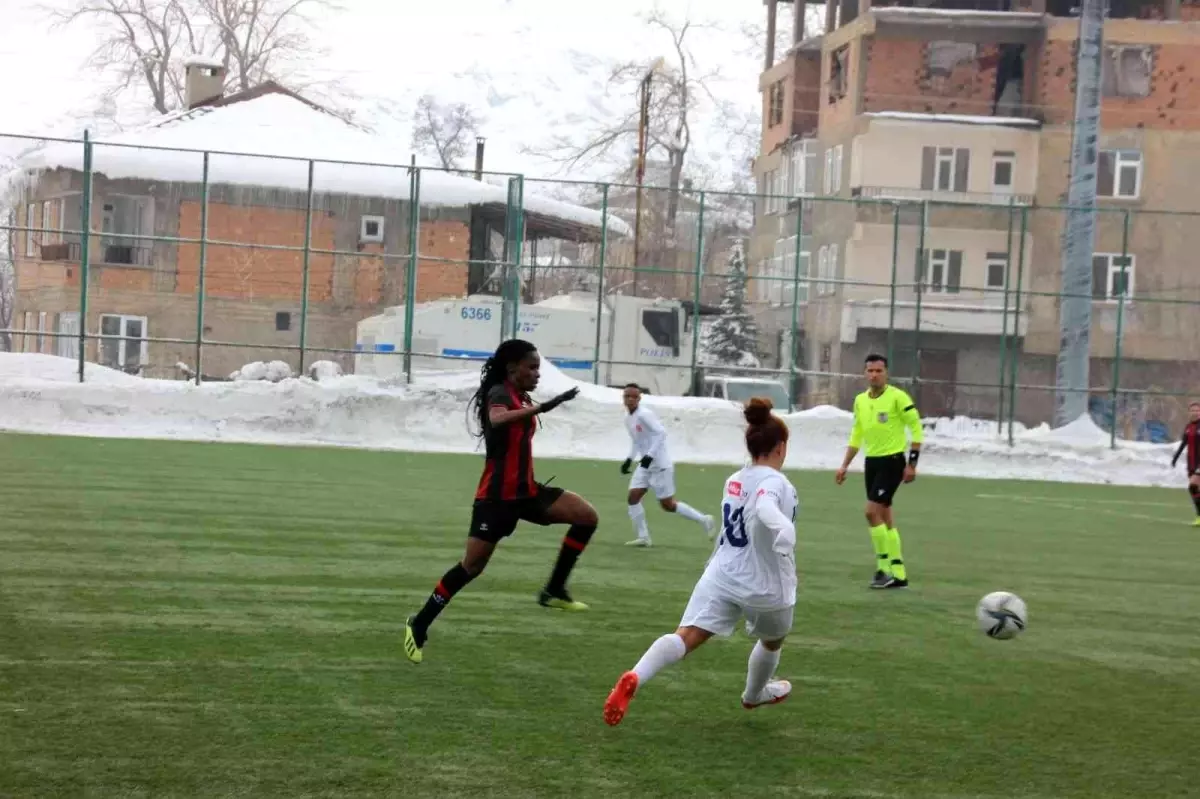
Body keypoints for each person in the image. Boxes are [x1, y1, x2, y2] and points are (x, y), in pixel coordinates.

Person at [603, 397, 799, 726]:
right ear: (780, 447)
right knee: (772, 639)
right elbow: (766, 507)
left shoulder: (735, 479)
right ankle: (753, 695)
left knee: (686, 636)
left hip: (722, 573)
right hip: (764, 584)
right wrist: (785, 529)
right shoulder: (776, 482)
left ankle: (636, 675)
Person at [403, 339, 600, 665]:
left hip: (528, 493)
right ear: (513, 369)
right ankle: (419, 624)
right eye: (532, 367)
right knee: (471, 568)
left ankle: (553, 591)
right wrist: (542, 407)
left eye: (539, 367)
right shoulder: (499, 392)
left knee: (586, 517)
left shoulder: (519, 395)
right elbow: (497, 419)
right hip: (496, 500)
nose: (538, 373)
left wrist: (534, 406)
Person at [835, 353, 923, 590]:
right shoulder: (860, 401)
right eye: (870, 371)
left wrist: (912, 463)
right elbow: (857, 434)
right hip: (872, 463)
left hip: (892, 461)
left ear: (886, 373)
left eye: (879, 371)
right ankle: (899, 573)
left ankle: (884, 569)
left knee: (870, 512)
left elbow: (916, 428)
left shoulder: (897, 397)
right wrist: (845, 464)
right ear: (865, 373)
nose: (874, 374)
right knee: (885, 517)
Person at [620, 383, 715, 547]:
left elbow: (661, 433)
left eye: (633, 396)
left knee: (668, 505)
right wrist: (629, 459)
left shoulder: (644, 415)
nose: (629, 399)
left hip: (660, 465)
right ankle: (644, 537)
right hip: (645, 466)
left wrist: (650, 455)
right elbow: (637, 441)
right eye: (627, 396)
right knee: (633, 497)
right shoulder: (628, 419)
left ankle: (704, 519)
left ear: (639, 398)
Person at [1170, 401, 1200, 526]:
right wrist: (1175, 458)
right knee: (1195, 490)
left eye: (1197, 410)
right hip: (1191, 463)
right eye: (1192, 410)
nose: (1195, 412)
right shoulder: (1188, 427)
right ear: (1189, 412)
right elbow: (1183, 444)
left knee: (1193, 486)